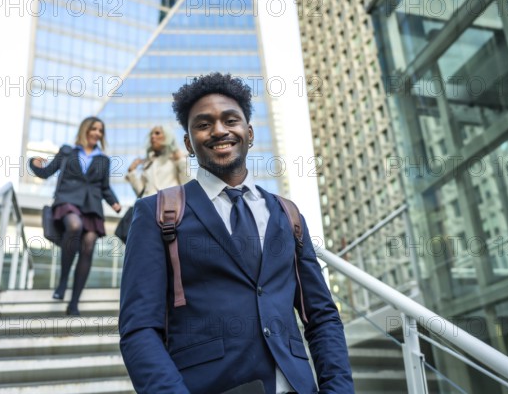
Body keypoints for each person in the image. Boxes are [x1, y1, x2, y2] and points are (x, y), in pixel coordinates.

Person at [119, 73, 354, 393]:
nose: (219, 130)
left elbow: (322, 316)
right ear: (188, 143)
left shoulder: (288, 214)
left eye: (231, 120)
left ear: (250, 133)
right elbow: (139, 330)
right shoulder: (156, 213)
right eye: (203, 124)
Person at [30, 116, 121, 316]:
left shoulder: (103, 160)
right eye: (94, 129)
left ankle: (74, 303)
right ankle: (62, 282)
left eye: (101, 130)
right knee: (74, 226)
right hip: (68, 199)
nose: (97, 133)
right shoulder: (67, 151)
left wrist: (114, 202)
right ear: (85, 130)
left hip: (92, 205)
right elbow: (46, 173)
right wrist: (33, 163)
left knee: (88, 247)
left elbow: (105, 187)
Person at [126, 125, 189, 197]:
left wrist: (180, 160)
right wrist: (131, 172)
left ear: (167, 136)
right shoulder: (148, 163)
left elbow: (187, 183)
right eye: (151, 134)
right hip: (149, 205)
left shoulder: (176, 157)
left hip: (171, 203)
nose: (152, 136)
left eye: (157, 133)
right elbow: (141, 192)